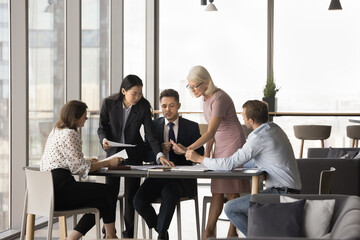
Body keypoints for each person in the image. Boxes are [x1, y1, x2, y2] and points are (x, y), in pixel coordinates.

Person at [185, 100, 302, 237]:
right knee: (240, 205)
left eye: (243, 116)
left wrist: (200, 159)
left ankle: (259, 237)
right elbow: (250, 162)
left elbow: (229, 164)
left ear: (251, 120)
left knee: (231, 208)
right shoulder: (274, 129)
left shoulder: (258, 137)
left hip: (280, 194)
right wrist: (226, 162)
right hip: (291, 191)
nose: (242, 118)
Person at [171, 65, 249, 239]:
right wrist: (207, 154)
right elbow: (212, 135)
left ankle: (230, 232)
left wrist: (189, 149)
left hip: (233, 142)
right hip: (221, 143)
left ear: (206, 83)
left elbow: (210, 132)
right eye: (190, 86)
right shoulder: (205, 98)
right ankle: (209, 232)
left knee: (230, 189)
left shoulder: (219, 98)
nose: (192, 90)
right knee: (217, 190)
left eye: (195, 86)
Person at [97, 75, 171, 238]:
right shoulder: (109, 103)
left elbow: (150, 134)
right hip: (113, 154)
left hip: (134, 153)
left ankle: (129, 233)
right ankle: (109, 231)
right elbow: (102, 127)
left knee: (131, 196)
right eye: (134, 93)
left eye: (140, 93)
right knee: (111, 194)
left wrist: (159, 154)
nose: (138, 97)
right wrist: (103, 140)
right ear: (124, 91)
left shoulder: (143, 106)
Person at [40, 100, 123, 240]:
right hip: (61, 189)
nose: (87, 118)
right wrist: (107, 162)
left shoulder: (56, 131)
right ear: (75, 118)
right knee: (108, 191)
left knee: (101, 202)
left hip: (48, 190)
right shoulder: (71, 134)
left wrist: (86, 161)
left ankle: (73, 238)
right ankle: (111, 236)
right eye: (84, 115)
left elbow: (69, 161)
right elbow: (79, 168)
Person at [133, 89, 204, 240]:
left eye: (171, 106)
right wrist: (158, 151)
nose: (167, 110)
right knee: (138, 200)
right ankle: (161, 230)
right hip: (158, 176)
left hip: (181, 180)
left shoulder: (191, 126)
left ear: (178, 105)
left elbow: (201, 153)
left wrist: (185, 151)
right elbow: (145, 155)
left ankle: (160, 236)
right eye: (164, 106)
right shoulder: (153, 126)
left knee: (169, 194)